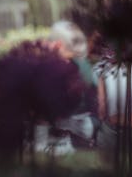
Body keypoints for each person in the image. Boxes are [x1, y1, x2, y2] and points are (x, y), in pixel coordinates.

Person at [34, 20, 99, 156]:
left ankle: (42, 145)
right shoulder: (80, 62)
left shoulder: (67, 65)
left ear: (58, 44)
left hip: (75, 124)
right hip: (84, 124)